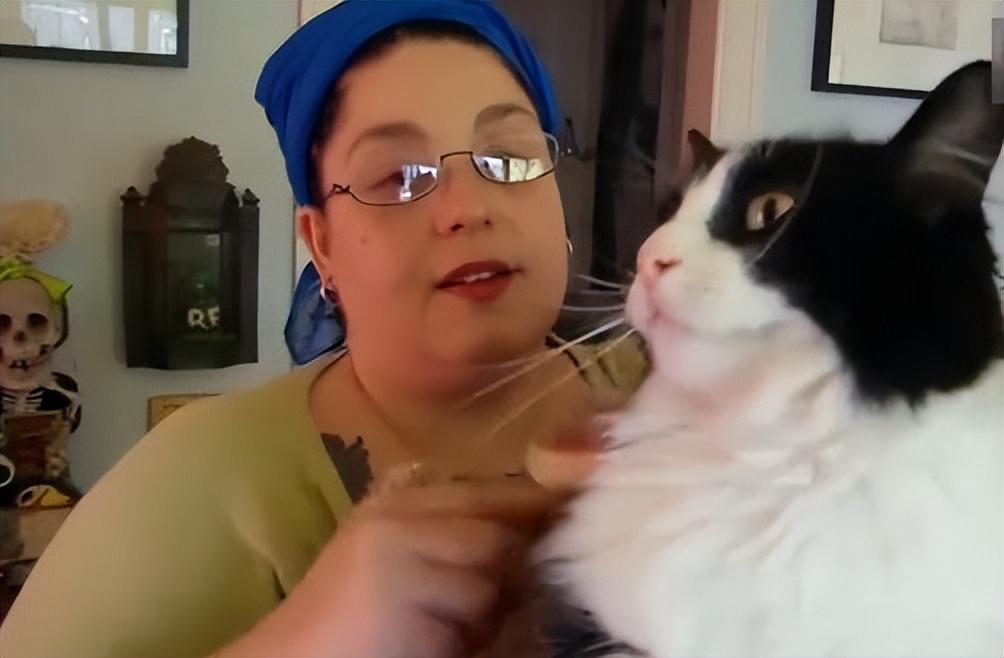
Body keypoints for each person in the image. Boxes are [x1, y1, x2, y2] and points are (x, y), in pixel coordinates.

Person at [0, 2, 646, 657]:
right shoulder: (200, 477)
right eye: (400, 177)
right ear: (323, 246)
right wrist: (299, 640)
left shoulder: (669, 389)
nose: (470, 207)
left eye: (508, 158)